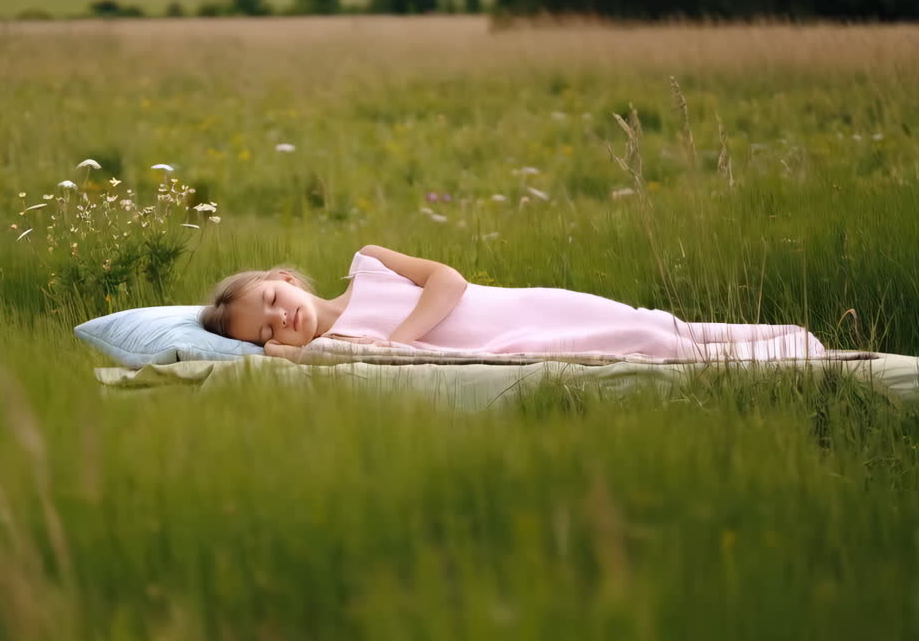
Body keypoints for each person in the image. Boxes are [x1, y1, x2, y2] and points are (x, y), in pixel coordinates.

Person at [199, 245, 827, 362]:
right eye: (265, 331)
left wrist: (402, 337)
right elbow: (284, 357)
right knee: (651, 343)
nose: (280, 320)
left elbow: (448, 281)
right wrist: (277, 353)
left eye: (273, 300)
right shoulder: (335, 350)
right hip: (509, 342)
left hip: (526, 305)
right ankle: (794, 359)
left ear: (286, 278)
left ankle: (794, 336)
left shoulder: (368, 265)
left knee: (647, 320)